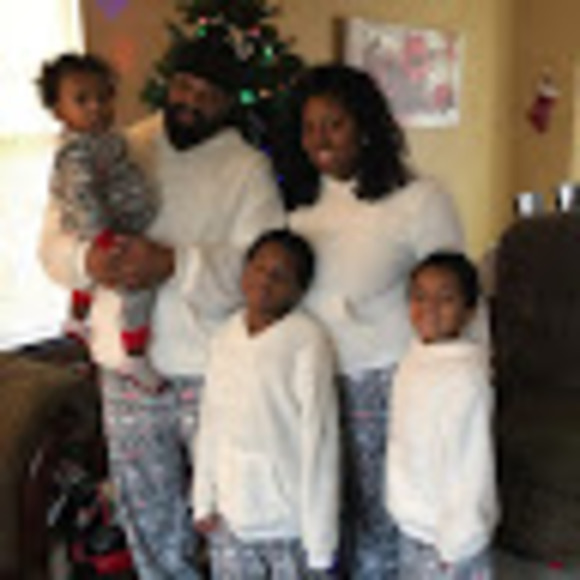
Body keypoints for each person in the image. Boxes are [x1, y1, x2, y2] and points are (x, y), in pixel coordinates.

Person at [38, 34, 285, 579]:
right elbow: (53, 246)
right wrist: (87, 261)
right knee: (148, 520)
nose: (191, 100)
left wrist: (176, 263)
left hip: (213, 372)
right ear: (168, 83)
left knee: (229, 514)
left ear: (228, 102)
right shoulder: (119, 146)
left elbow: (265, 270)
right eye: (183, 85)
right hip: (127, 374)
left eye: (208, 93)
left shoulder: (248, 169)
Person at [273, 63, 464, 579]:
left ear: (364, 125)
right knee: (324, 513)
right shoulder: (297, 206)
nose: (320, 139)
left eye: (334, 124)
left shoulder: (418, 199)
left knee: (382, 516)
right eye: (309, 128)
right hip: (310, 381)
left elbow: (458, 296)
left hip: (385, 380)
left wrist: (458, 386)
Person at [193, 229, 339, 579]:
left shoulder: (307, 340)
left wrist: (320, 542)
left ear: (299, 290)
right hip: (231, 515)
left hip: (287, 521)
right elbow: (211, 422)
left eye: (280, 275)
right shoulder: (225, 337)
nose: (265, 281)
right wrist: (203, 499)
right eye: (258, 268)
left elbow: (320, 439)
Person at [37, 52, 162, 393]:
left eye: (103, 97)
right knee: (138, 286)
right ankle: (134, 353)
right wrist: (102, 238)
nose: (96, 108)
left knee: (94, 279)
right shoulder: (76, 152)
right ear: (59, 111)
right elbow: (81, 198)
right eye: (82, 100)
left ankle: (77, 319)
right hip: (97, 228)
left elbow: (121, 174)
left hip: (112, 220)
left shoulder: (109, 140)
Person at [386, 251, 498, 579]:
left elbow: (471, 463)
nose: (430, 307)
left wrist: (459, 541)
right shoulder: (413, 359)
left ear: (469, 310)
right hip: (413, 523)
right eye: (419, 296)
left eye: (446, 298)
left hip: (452, 537)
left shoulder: (465, 377)